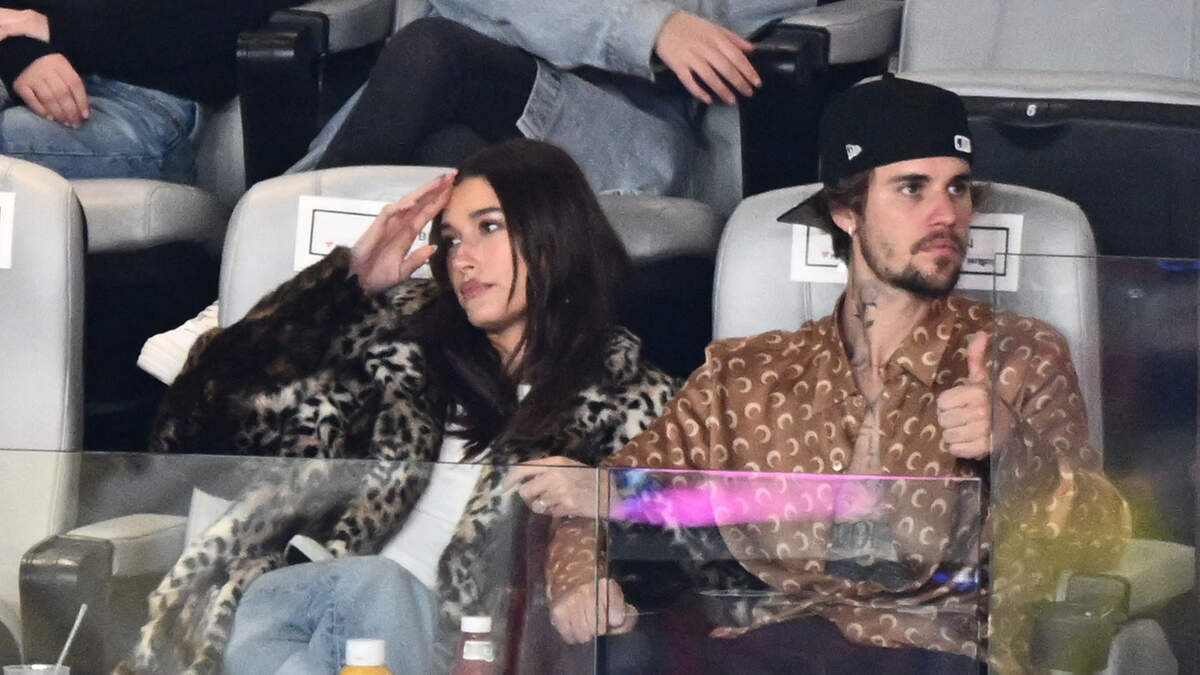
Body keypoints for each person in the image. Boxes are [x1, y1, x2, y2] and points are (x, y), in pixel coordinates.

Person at [522, 76, 1132, 674]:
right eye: (912, 188)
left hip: (943, 655)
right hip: (770, 651)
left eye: (959, 188)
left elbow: (1100, 541)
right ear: (846, 213)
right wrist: (579, 582)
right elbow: (599, 495)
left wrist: (1010, 445)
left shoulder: (1018, 354)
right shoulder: (747, 375)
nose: (946, 213)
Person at [115, 139, 678, 674]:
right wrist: (345, 287)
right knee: (374, 584)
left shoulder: (629, 399)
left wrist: (615, 497)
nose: (463, 259)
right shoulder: (395, 347)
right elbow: (194, 439)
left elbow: (709, 551)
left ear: (555, 234)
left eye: (488, 228)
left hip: (458, 655)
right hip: (297, 617)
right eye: (451, 240)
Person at [308, 0, 818, 196]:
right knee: (449, 154)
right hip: (443, 103)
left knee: (434, 51)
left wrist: (653, 28)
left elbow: (724, 24)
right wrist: (644, 25)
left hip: (614, 130)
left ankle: (293, 289)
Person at [0, 1, 294, 181]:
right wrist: (24, 55)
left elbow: (217, 19)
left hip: (153, 100)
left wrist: (58, 29)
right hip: (31, 72)